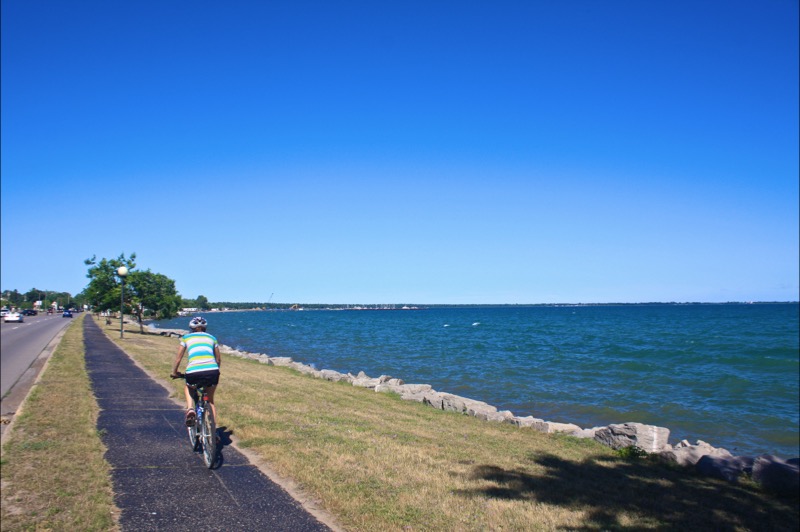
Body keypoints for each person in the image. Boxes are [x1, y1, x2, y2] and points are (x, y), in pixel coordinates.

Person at [171, 316, 222, 426]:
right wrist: (216, 370)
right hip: (212, 371)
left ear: (191, 328)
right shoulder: (212, 338)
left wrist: (174, 372)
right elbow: (218, 359)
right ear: (205, 328)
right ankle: (213, 431)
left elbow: (178, 358)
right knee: (210, 400)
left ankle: (190, 409)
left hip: (193, 372)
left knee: (188, 386)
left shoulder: (186, 338)